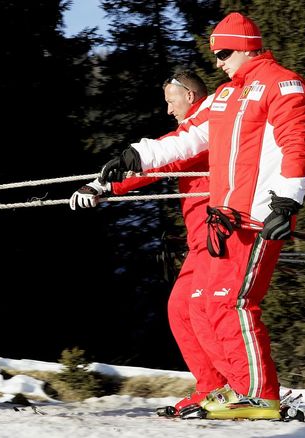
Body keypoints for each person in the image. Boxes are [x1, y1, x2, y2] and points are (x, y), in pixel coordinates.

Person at [97, 12, 305, 420]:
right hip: (225, 218)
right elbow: (190, 139)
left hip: (258, 215)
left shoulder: (283, 84)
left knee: (232, 302)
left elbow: (297, 145)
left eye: (224, 52)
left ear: (247, 46)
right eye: (216, 54)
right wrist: (137, 155)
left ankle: (260, 395)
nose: (218, 61)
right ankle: (231, 390)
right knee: (203, 305)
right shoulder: (228, 95)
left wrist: (287, 201)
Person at [70, 70, 216, 416]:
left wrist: (104, 185)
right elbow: (166, 162)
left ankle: (238, 388)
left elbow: (162, 162)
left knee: (203, 308)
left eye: (171, 102)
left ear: (190, 98)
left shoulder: (208, 123)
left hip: (218, 231)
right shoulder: (193, 128)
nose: (168, 110)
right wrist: (101, 186)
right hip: (201, 236)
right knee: (181, 308)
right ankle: (212, 386)